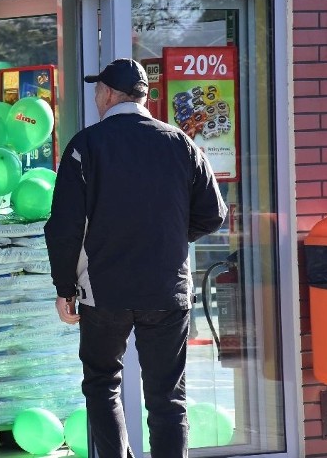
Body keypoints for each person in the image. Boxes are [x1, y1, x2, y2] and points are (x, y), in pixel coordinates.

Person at [44, 58, 227, 458]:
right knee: (167, 399)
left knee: (102, 382)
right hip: (166, 289)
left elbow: (64, 226)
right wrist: (169, 240)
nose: (95, 96)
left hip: (104, 290)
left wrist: (64, 287)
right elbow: (214, 214)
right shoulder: (180, 142)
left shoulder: (86, 145)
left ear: (109, 94)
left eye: (97, 90)